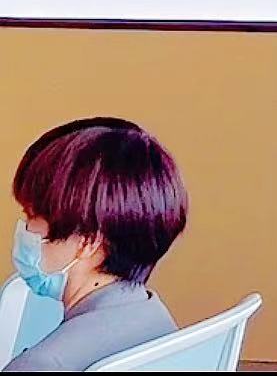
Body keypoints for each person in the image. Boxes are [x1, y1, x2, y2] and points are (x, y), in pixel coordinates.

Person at [2, 117, 188, 373]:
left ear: (87, 242)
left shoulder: (42, 364)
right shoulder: (155, 318)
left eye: (32, 216)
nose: (24, 229)